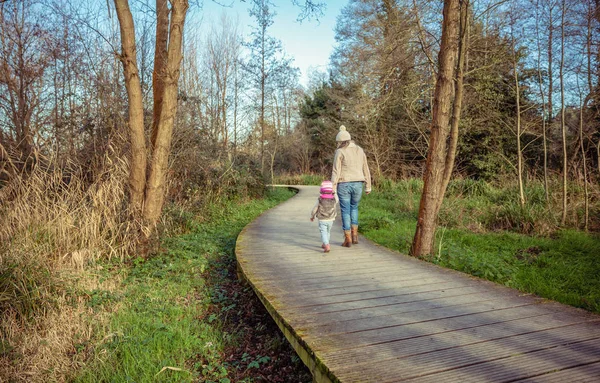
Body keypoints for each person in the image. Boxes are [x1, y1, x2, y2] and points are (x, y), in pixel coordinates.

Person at [331, 125, 371, 247]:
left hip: (344, 183)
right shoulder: (360, 150)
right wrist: (368, 185)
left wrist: (332, 188)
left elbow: (336, 171)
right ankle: (355, 235)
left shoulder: (340, 151)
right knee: (354, 208)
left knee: (345, 210)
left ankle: (347, 238)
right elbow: (366, 168)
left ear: (340, 142)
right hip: (359, 183)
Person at [310, 180, 337, 253]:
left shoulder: (320, 199)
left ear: (321, 190)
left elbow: (315, 209)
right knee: (328, 231)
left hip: (322, 219)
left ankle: (327, 244)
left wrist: (312, 216)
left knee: (323, 232)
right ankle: (325, 242)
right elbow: (335, 206)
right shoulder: (334, 199)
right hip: (331, 219)